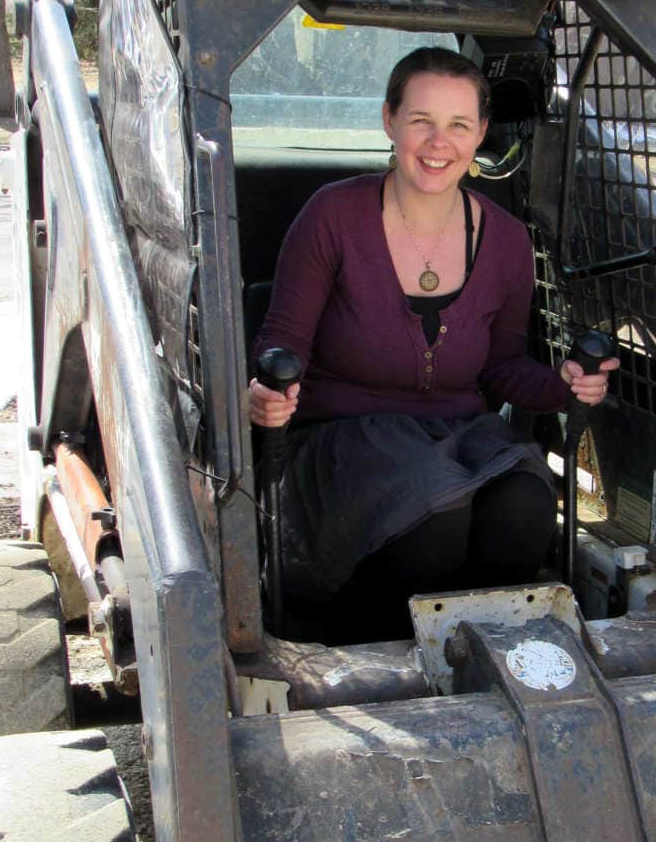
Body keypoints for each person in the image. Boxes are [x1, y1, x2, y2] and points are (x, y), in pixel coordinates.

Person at [249, 46, 618, 639]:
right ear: (389, 120)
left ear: (481, 135)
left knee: (525, 504)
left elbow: (501, 368)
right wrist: (268, 392)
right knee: (434, 516)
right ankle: (370, 652)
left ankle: (490, 662)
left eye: (458, 125)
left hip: (457, 435)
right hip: (344, 439)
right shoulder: (332, 216)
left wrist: (564, 383)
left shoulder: (504, 240)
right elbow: (280, 341)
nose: (438, 142)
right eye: (421, 120)